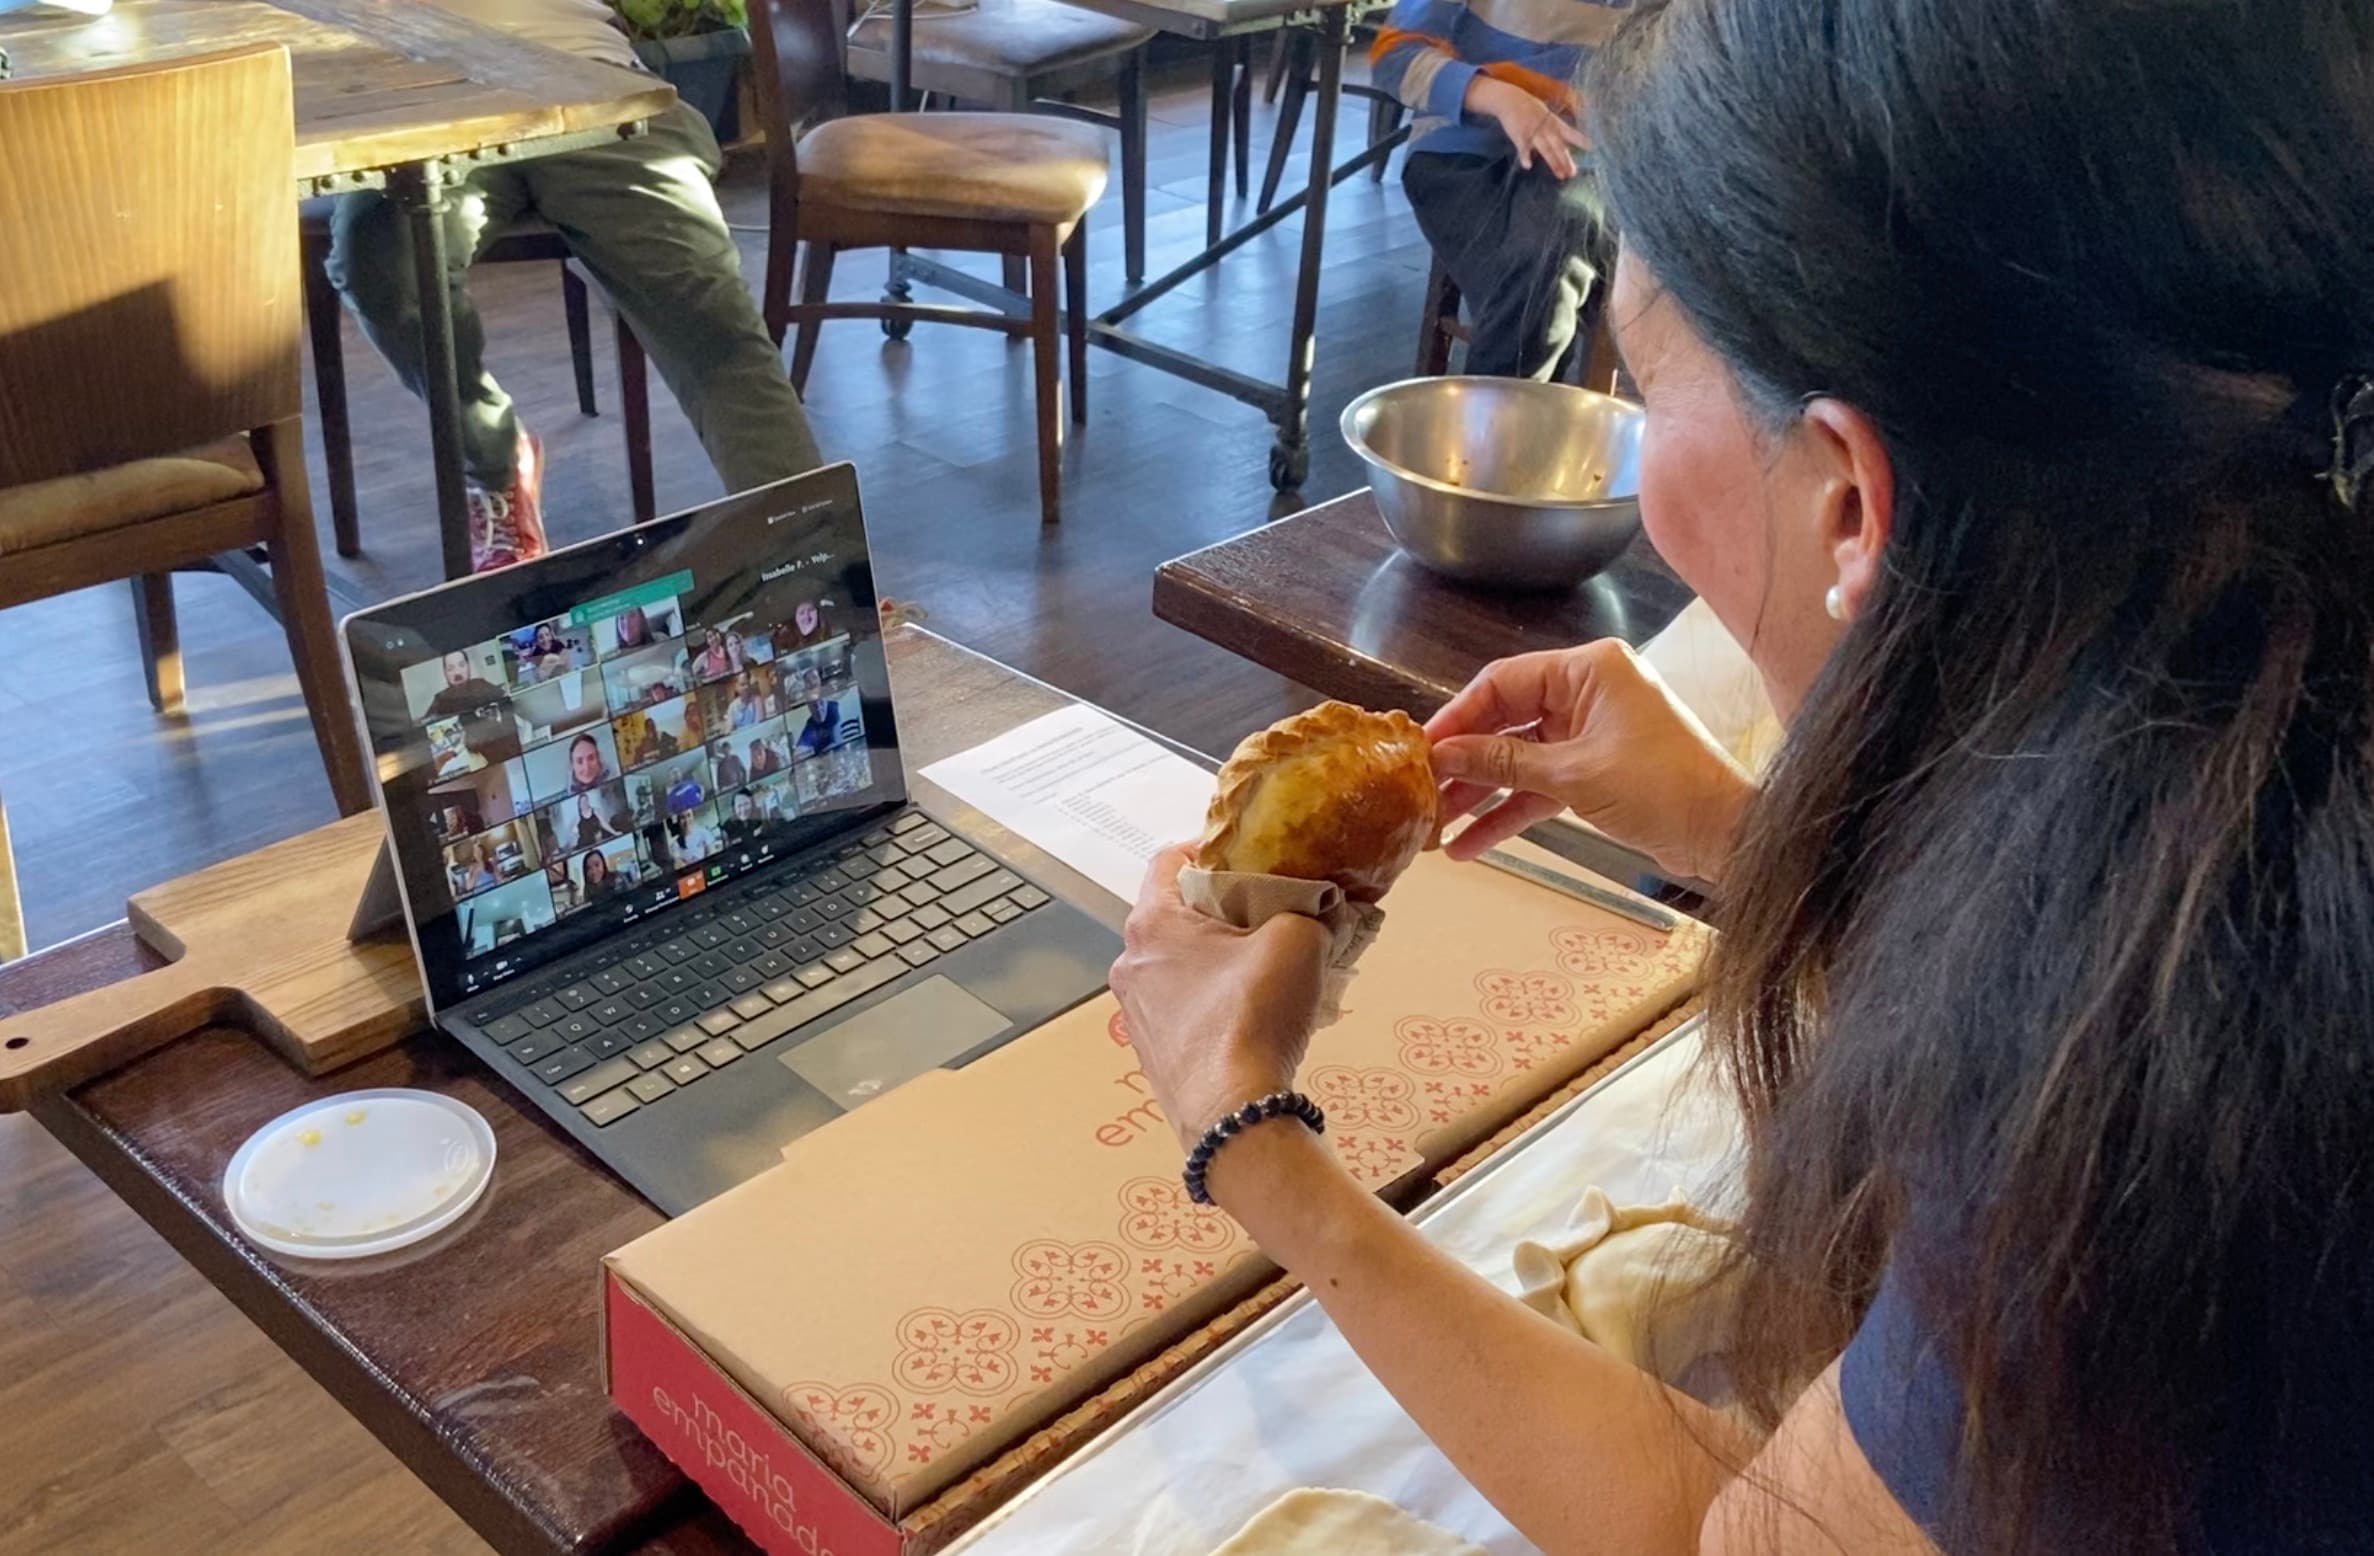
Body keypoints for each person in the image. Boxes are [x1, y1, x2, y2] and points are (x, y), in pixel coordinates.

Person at [1109, 1, 2374, 1550]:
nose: (1638, 474)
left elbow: (1743, 1531)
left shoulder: (2161, 1108)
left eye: (1642, 395)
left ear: (1849, 498)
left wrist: (1250, 1141)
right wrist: (1744, 829)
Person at [321, 0, 825, 574]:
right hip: (420, 100)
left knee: (705, 312)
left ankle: (809, 554)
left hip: (592, 82)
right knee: (383, 265)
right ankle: (494, 463)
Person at [1373, 0, 1623, 380]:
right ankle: (1514, 424)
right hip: (1460, 154)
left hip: (1582, 159)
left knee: (1548, 253)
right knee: (1543, 262)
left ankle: (1503, 424)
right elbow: (1394, 55)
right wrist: (1504, 100)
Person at [424, 650, 505, 719]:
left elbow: (505, 699)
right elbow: (427, 722)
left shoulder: (480, 684)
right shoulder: (440, 698)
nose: (457, 673)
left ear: (468, 666)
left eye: (461, 665)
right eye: (450, 669)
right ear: (445, 673)